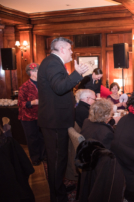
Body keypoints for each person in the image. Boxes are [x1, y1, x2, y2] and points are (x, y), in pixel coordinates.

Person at [38, 37, 88, 202]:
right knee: (56, 160)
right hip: (55, 121)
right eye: (70, 49)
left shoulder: (53, 62)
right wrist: (77, 74)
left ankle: (58, 187)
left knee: (59, 158)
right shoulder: (52, 63)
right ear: (62, 49)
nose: (72, 53)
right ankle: (57, 196)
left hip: (56, 120)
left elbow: (60, 87)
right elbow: (60, 88)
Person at [18, 63, 46, 166]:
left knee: (43, 137)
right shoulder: (24, 87)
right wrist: (32, 103)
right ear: (31, 72)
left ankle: (43, 156)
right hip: (27, 117)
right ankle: (35, 158)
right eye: (37, 70)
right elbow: (20, 104)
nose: (39, 72)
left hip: (41, 115)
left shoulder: (44, 84)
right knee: (32, 138)